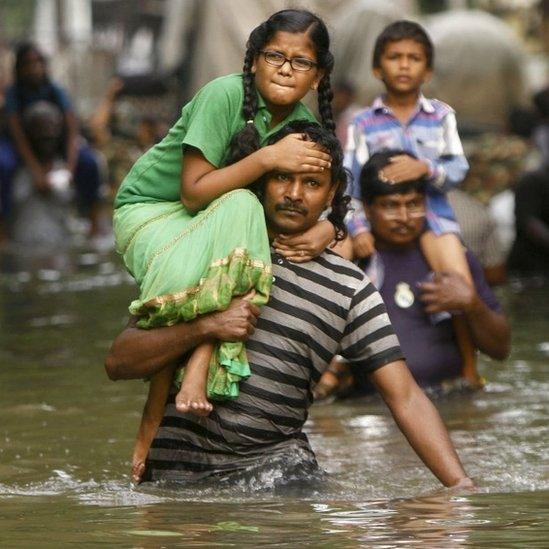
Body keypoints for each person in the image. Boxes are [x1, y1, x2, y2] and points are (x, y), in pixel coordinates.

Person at [106, 122, 474, 490]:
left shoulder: (349, 288)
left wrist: (460, 488)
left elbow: (405, 397)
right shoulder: (209, 251)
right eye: (283, 177)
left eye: (312, 183)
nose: (295, 194)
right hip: (173, 479)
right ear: (262, 179)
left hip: (278, 479)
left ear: (331, 195)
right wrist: (206, 326)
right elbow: (119, 362)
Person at [113, 10, 342, 480]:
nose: (285, 68)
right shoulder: (223, 95)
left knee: (250, 217)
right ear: (254, 61)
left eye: (301, 62)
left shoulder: (301, 124)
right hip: (153, 212)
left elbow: (329, 188)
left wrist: (331, 229)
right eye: (275, 56)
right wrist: (268, 156)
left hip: (221, 219)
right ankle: (152, 422)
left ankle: (194, 365)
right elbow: (194, 191)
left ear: (317, 76)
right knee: (243, 205)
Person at [343, 20, 479, 384]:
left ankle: (468, 364)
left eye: (414, 58)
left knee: (458, 283)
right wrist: (356, 228)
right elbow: (349, 182)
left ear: (427, 70)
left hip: (434, 217)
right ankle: (329, 364)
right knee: (336, 262)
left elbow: (458, 169)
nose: (404, 65)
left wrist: (424, 168)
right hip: (375, 217)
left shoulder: (441, 116)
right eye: (394, 57)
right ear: (377, 69)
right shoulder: (362, 123)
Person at [316, 151, 510, 400]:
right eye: (390, 206)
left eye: (413, 204)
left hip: (450, 401)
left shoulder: (449, 259)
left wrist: (472, 304)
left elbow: (501, 350)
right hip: (369, 408)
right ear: (368, 208)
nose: (404, 217)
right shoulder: (353, 261)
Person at [0, 42, 102, 236]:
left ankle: (93, 221)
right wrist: (36, 171)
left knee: (89, 162)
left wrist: (70, 169)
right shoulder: (14, 94)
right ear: (19, 68)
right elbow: (17, 134)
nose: (34, 68)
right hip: (20, 144)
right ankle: (2, 227)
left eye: (38, 62)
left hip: (54, 143)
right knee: (2, 166)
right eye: (28, 63)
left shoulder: (56, 90)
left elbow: (72, 129)